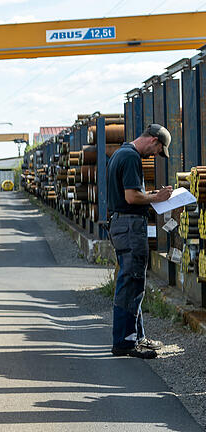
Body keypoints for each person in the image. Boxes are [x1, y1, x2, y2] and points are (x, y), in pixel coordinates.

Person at [106, 123, 172, 359]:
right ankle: (124, 342)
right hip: (130, 226)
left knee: (132, 281)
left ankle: (137, 336)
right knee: (131, 280)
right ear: (154, 140)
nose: (155, 156)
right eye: (157, 151)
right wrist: (157, 196)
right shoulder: (132, 157)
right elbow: (132, 197)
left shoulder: (120, 153)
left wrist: (153, 195)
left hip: (121, 224)